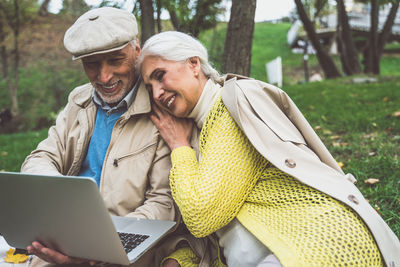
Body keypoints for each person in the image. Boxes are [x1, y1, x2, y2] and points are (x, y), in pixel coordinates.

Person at [139, 31, 400, 267]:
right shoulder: (199, 125)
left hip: (321, 243)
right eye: (150, 87)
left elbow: (201, 214)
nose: (157, 93)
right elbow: (218, 232)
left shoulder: (229, 106)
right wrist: (180, 260)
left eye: (160, 76)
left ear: (193, 64)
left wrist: (179, 147)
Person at [21, 7, 179, 267]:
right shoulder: (79, 101)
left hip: (124, 250)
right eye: (91, 64)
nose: (104, 76)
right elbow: (41, 157)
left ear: (136, 51)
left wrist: (101, 245)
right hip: (63, 239)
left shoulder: (161, 106)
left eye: (116, 60)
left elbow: (164, 204)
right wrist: (57, 202)